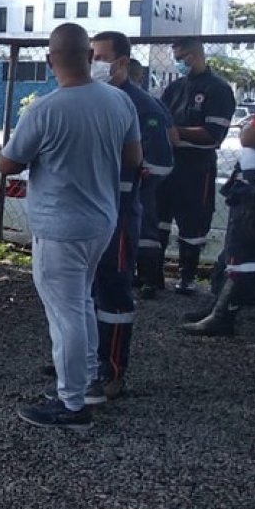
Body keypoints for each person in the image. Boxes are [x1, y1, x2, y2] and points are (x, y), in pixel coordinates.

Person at [0, 23, 140, 431]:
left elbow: (9, 164)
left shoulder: (44, 110)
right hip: (101, 220)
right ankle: (83, 382)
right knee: (80, 305)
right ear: (91, 57)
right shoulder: (119, 102)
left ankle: (72, 404)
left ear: (49, 60)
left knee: (66, 315)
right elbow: (134, 157)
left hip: (60, 225)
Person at [89, 32, 174, 397]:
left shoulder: (143, 107)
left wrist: (120, 174)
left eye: (100, 57)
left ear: (121, 63)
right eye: (90, 55)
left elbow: (160, 164)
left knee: (113, 289)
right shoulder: (91, 98)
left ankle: (113, 369)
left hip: (120, 213)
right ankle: (86, 358)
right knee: (85, 290)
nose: (93, 62)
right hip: (88, 211)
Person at [154, 38, 236, 294]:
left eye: (182, 57)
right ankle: (152, 275)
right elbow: (160, 118)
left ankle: (187, 278)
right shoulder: (175, 87)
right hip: (168, 163)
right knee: (158, 220)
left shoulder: (217, 89)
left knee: (193, 223)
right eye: (176, 58)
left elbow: (213, 133)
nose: (179, 63)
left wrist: (176, 132)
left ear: (197, 55)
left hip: (196, 167)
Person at [181, 113, 255, 336]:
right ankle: (219, 306)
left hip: (254, 190)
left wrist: (247, 126)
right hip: (251, 186)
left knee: (244, 256)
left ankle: (222, 316)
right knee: (233, 254)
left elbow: (250, 137)